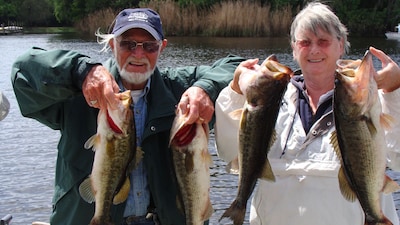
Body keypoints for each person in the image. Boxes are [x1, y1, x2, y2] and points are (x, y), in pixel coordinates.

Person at [11, 8, 245, 225]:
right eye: (128, 44)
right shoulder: (76, 90)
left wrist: (206, 89)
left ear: (162, 47)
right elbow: (22, 72)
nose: (138, 53)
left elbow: (241, 67)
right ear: (112, 45)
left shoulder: (180, 89)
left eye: (149, 46)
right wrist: (80, 71)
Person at [215, 2, 400, 225]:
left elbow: (397, 158)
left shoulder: (372, 105)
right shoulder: (270, 101)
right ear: (294, 48)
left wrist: (394, 90)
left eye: (324, 42)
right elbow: (228, 151)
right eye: (305, 42)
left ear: (340, 45)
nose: (314, 50)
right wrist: (236, 90)